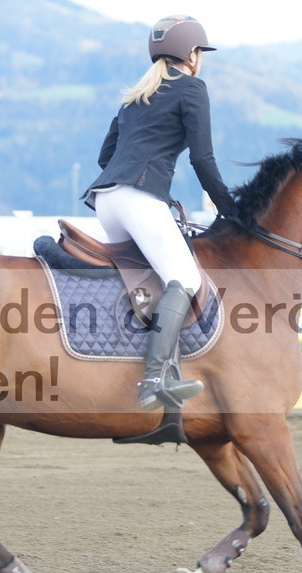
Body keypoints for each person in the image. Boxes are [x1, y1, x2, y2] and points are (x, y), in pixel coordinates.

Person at [83, 15, 237, 412]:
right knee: (183, 278)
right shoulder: (192, 88)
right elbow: (203, 159)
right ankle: (154, 378)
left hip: (106, 199)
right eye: (200, 51)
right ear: (191, 54)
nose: (200, 58)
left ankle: (116, 356)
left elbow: (105, 157)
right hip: (137, 198)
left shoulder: (134, 97)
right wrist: (231, 209)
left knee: (142, 276)